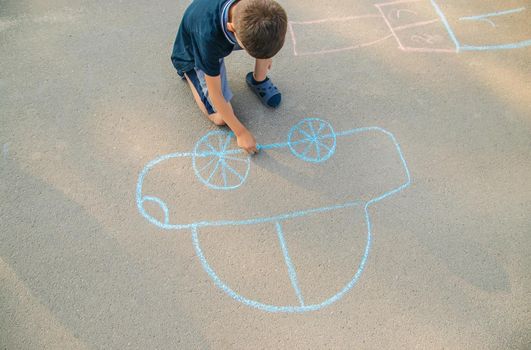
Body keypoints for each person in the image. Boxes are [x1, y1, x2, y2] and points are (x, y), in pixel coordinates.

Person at [171, 0, 288, 154]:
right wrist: (240, 132)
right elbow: (216, 94)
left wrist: (266, 54)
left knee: (264, 39)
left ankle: (258, 80)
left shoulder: (257, 8)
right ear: (232, 28)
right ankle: (189, 72)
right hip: (193, 53)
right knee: (221, 117)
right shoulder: (208, 39)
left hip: (225, 28)